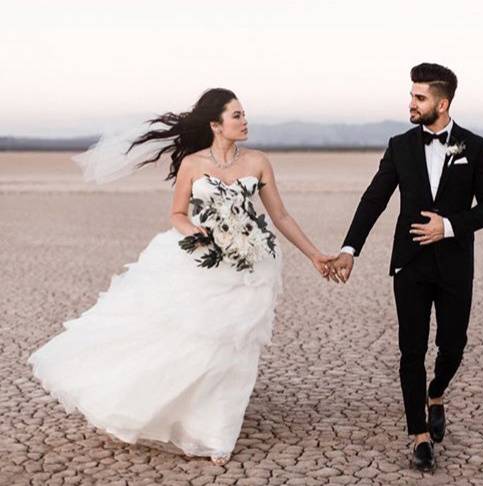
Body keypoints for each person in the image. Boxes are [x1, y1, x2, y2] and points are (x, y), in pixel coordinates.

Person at [27, 88, 335, 465]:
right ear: (215, 125)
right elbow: (177, 214)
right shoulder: (192, 164)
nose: (244, 120)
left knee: (234, 352)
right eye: (236, 115)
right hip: (202, 261)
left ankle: (217, 436)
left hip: (251, 266)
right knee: (196, 346)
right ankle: (170, 414)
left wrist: (316, 255)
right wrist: (195, 233)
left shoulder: (258, 162)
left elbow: (281, 216)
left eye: (244, 114)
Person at [327, 63, 483, 471]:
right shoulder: (400, 145)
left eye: (419, 97)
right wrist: (350, 249)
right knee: (411, 350)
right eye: (411, 95)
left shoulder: (475, 147)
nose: (411, 103)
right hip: (409, 264)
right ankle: (419, 436)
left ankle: (436, 392)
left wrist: (449, 226)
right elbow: (374, 199)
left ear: (442, 104)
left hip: (456, 264)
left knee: (453, 346)